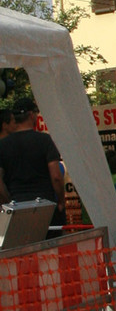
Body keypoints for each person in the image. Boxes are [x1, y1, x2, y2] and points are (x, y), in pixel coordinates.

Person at [0, 97, 66, 232]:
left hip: (17, 208)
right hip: (45, 206)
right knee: (51, 244)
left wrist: (7, 203)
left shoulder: (3, 145)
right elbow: (56, 176)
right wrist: (61, 200)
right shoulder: (45, 140)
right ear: (31, 115)